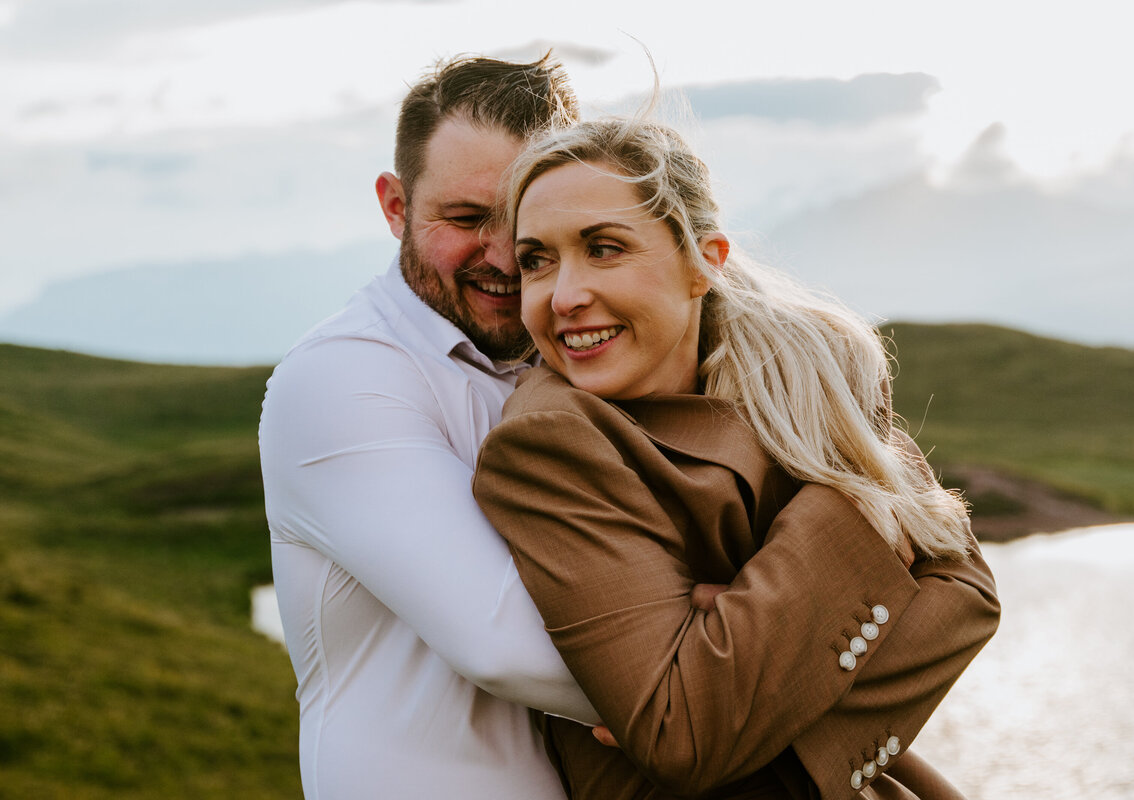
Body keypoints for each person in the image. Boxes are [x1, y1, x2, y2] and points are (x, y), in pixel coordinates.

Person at [472, 117, 1001, 799]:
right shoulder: (549, 442)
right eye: (536, 261)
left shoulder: (812, 375)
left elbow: (967, 595)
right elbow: (684, 731)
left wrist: (752, 654)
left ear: (703, 262)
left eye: (603, 248)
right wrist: (857, 509)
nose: (565, 295)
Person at [258, 54, 601, 799]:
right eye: (467, 219)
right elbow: (506, 642)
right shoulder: (340, 378)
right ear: (394, 205)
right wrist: (745, 682)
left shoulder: (582, 359)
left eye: (530, 220)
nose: (506, 256)